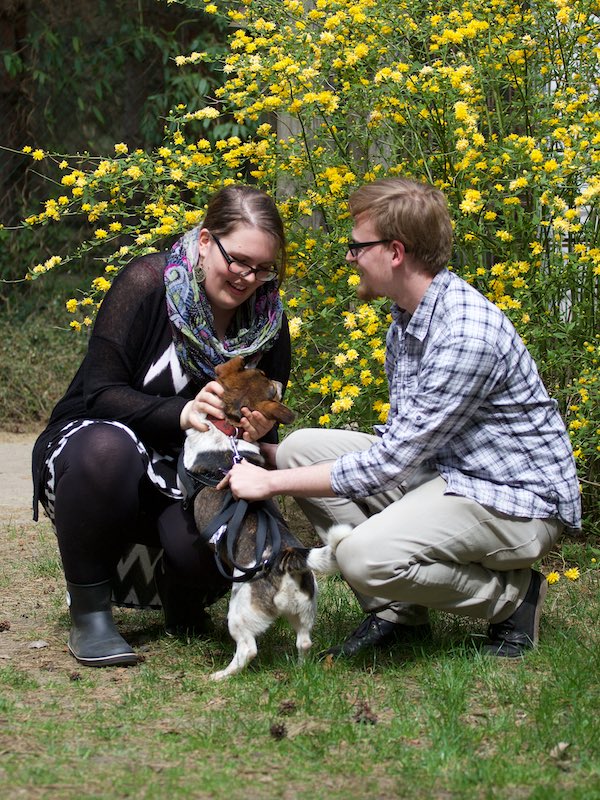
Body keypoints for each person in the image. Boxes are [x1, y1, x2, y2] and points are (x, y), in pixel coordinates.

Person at [223, 177, 581, 659]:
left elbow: (390, 463)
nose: (349, 257)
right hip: (447, 474)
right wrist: (266, 456)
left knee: (361, 555)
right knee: (297, 449)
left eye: (357, 246)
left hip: (515, 501)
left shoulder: (464, 334)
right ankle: (397, 613)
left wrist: (270, 483)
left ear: (395, 252)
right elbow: (402, 439)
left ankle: (513, 600)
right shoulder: (408, 318)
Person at [32, 184, 291, 667]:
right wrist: (182, 412)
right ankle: (90, 614)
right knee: (108, 451)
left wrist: (253, 432)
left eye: (263, 268)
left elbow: (264, 428)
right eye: (238, 261)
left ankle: (184, 600)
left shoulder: (269, 321)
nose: (249, 279)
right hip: (95, 448)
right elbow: (99, 392)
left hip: (190, 468)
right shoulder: (148, 284)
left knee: (213, 536)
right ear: (206, 241)